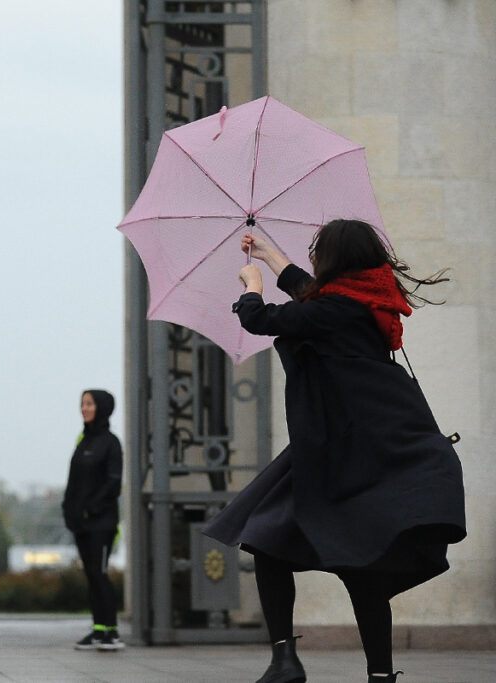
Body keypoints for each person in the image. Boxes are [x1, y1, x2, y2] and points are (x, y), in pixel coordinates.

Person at [204, 220, 466, 683]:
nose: (312, 258)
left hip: (345, 455)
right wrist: (269, 253)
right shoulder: (365, 301)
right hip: (359, 450)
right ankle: (368, 675)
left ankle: (286, 660)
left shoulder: (335, 310)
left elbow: (263, 319)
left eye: (317, 251)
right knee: (346, 563)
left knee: (273, 542)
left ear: (334, 260)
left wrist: (252, 286)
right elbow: (312, 296)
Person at [62, 389, 124, 651]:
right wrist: (69, 509)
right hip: (81, 524)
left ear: (102, 408)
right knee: (91, 575)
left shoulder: (110, 443)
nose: (84, 408)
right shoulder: (84, 440)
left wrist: (91, 509)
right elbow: (74, 481)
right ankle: (98, 629)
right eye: (82, 404)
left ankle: (112, 632)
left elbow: (113, 483)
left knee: (99, 574)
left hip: (102, 523)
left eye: (89, 404)